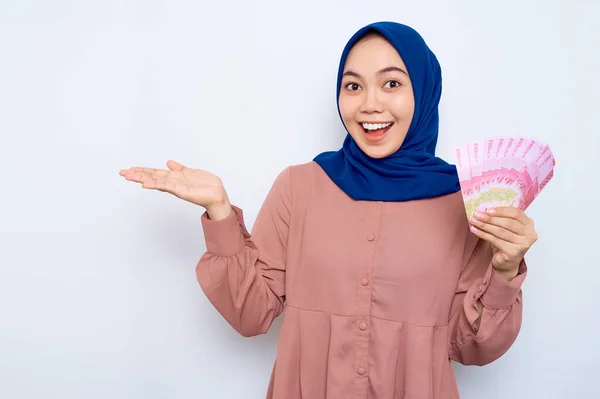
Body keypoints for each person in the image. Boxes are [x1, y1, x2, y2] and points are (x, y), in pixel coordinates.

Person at [120, 21, 538, 399]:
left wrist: (504, 272)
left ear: (424, 92)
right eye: (353, 86)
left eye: (391, 84)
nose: (369, 104)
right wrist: (219, 212)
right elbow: (252, 313)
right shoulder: (299, 186)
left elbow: (469, 347)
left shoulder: (467, 203)